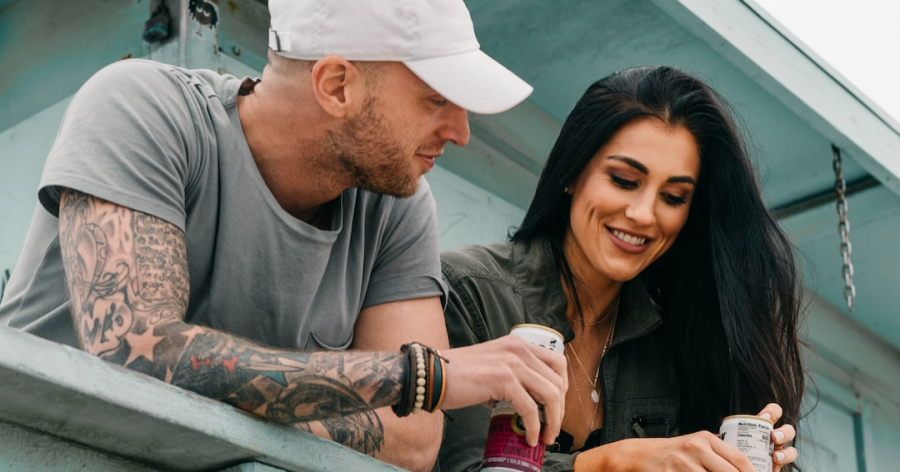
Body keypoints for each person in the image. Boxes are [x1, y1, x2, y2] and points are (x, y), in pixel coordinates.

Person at [0, 1, 568, 470]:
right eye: (436, 99)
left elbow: (415, 440)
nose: (462, 133)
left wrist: (246, 390)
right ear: (337, 85)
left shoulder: (398, 205)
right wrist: (422, 376)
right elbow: (136, 353)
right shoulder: (142, 108)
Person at [435, 65, 805, 472]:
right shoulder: (464, 293)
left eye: (673, 197)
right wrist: (613, 462)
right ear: (572, 172)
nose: (643, 214)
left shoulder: (676, 347)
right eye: (624, 180)